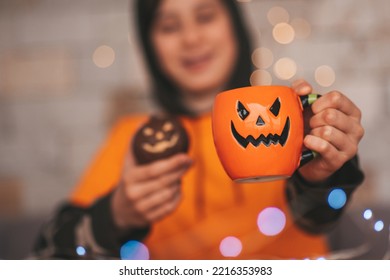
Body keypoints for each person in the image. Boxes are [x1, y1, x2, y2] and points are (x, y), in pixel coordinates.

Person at [32, 0, 364, 259]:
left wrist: (322, 174)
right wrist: (117, 214)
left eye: (205, 16)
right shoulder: (134, 137)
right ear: (150, 46)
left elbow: (319, 217)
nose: (191, 38)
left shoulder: (290, 120)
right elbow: (48, 259)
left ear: (234, 26)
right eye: (169, 26)